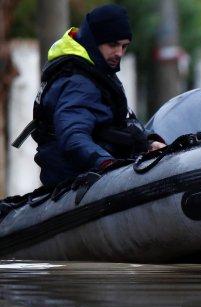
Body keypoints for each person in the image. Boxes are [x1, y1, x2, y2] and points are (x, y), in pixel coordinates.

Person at [28, 4, 164, 188]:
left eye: (124, 46)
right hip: (78, 183)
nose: (119, 53)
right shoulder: (78, 81)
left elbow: (118, 122)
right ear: (93, 41)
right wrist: (108, 165)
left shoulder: (96, 71)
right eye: (112, 44)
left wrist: (148, 142)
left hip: (93, 178)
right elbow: (73, 136)